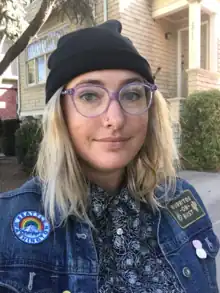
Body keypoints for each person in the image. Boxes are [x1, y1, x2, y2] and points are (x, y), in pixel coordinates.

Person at [0, 20, 219, 293]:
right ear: (61, 115)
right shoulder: (7, 225)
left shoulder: (181, 198)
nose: (115, 119)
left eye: (132, 94)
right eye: (90, 95)